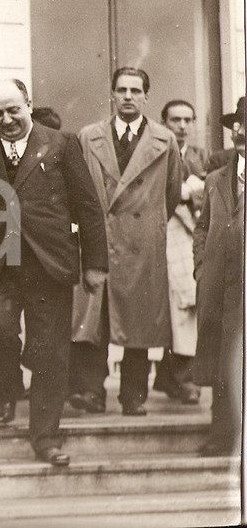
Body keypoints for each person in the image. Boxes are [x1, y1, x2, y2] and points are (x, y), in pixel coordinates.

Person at [0, 79, 107, 466]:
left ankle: (46, 438)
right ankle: (7, 390)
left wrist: (96, 264)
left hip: (47, 263)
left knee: (50, 353)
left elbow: (88, 206)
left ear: (28, 104)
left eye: (13, 110)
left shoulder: (61, 143)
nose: (6, 120)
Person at [69, 68, 182, 416]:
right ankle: (91, 392)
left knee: (139, 320)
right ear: (112, 96)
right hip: (99, 237)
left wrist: (149, 223)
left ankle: (133, 396)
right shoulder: (89, 137)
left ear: (147, 96)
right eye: (122, 90)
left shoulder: (164, 140)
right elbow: (79, 188)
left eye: (135, 90)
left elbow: (172, 192)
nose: (128, 96)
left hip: (142, 244)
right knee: (95, 319)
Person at [193, 97, 245, 456]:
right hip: (216, 286)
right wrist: (201, 266)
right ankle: (220, 433)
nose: (240, 132)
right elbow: (201, 227)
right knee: (218, 358)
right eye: (238, 125)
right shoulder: (215, 178)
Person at [153, 100, 208, 404]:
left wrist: (195, 191)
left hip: (191, 232)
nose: (182, 126)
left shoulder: (201, 156)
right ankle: (173, 376)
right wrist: (180, 191)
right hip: (163, 228)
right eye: (175, 119)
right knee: (169, 306)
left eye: (188, 119)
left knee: (187, 301)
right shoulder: (156, 150)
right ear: (164, 121)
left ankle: (177, 376)